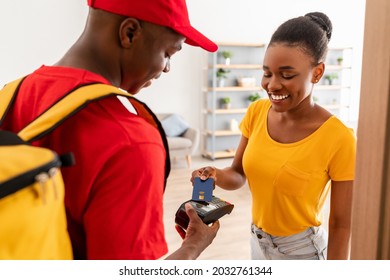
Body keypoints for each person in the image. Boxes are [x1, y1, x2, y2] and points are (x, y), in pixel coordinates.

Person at [1, 0, 220, 260]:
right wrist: (193, 245)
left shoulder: (11, 94)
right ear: (129, 33)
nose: (166, 68)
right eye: (168, 53)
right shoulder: (132, 140)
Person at [191, 12, 356, 260]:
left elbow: (342, 225)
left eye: (287, 75)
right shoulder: (257, 112)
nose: (272, 85)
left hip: (303, 253)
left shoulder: (339, 137)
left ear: (318, 73)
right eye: (267, 73)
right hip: (258, 243)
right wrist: (216, 175)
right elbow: (238, 174)